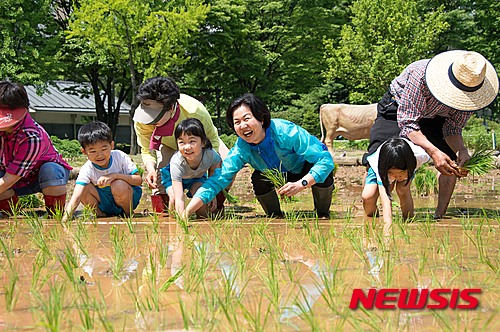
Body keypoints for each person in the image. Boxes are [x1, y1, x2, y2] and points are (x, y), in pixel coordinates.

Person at [366, 50, 498, 219]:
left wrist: (461, 151)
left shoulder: (473, 95)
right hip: (398, 110)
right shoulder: (419, 75)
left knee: (450, 160)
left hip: (436, 118)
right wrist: (434, 152)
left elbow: (452, 129)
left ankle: (439, 216)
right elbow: (408, 124)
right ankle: (372, 214)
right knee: (383, 156)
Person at [183, 93, 335, 219]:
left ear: (261, 119)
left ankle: (322, 215)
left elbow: (325, 160)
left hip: (303, 170)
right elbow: (218, 179)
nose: (243, 126)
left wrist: (302, 183)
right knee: (258, 178)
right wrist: (187, 211)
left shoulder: (286, 132)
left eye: (247, 119)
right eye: (237, 122)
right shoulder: (241, 148)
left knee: (324, 174)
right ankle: (275, 217)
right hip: (273, 173)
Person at [133, 76, 228, 212]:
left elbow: (212, 140)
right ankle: (168, 213)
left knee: (226, 168)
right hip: (168, 145)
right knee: (160, 183)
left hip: (202, 143)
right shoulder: (142, 119)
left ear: (171, 108)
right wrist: (151, 169)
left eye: (156, 116)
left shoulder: (194, 111)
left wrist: (211, 185)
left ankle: (215, 206)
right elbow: (147, 149)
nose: (150, 121)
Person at [0, 80, 71, 216]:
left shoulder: (31, 136)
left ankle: (55, 215)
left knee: (50, 169)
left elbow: (10, 178)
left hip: (39, 177)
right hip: (9, 176)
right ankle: (12, 215)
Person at [63, 121, 142, 221]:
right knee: (82, 188)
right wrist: (65, 219)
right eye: (93, 151)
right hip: (104, 202)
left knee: (118, 184)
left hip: (127, 198)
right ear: (84, 152)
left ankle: (128, 215)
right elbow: (76, 196)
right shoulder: (87, 168)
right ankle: (101, 216)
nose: (99, 155)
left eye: (104, 149)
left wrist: (115, 176)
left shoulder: (119, 156)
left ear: (111, 145)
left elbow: (138, 180)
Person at [362, 138, 430, 231]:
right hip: (380, 166)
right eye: (393, 174)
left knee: (402, 190)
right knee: (367, 196)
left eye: (401, 174)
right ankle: (371, 219)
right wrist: (388, 231)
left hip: (407, 162)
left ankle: (409, 220)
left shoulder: (420, 157)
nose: (397, 177)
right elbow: (386, 203)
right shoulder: (378, 165)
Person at [160, 118, 223, 217]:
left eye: (192, 141)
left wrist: (212, 193)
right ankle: (173, 222)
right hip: (173, 177)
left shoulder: (210, 155)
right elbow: (179, 198)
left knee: (202, 201)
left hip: (197, 176)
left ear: (203, 142)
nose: (187, 147)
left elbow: (214, 170)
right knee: (174, 199)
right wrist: (182, 220)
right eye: (182, 142)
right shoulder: (176, 163)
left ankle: (202, 218)